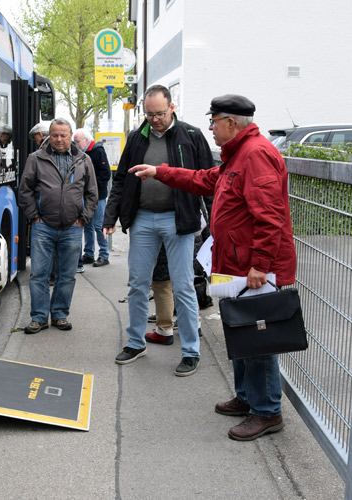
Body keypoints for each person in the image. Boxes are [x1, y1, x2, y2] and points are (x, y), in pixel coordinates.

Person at [129, 94, 297, 441]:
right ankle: (247, 398)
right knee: (240, 330)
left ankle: (267, 412)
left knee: (258, 339)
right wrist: (160, 171)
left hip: (252, 269)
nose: (210, 128)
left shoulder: (256, 155)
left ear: (231, 123)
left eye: (214, 121)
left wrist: (260, 266)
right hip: (233, 264)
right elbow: (205, 179)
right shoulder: (239, 155)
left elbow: (270, 217)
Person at [103, 84, 213, 375]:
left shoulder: (191, 136)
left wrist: (216, 223)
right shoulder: (136, 138)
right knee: (138, 285)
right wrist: (109, 217)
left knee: (184, 287)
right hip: (143, 220)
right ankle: (136, 342)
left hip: (179, 221)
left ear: (172, 107)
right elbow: (121, 182)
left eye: (160, 114)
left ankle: (190, 351)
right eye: (149, 114)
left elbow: (212, 180)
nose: (154, 120)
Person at [18, 118, 98, 334]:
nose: (59, 139)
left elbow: (92, 193)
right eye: (55, 135)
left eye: (63, 135)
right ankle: (39, 318)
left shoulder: (83, 160)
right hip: (43, 226)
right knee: (39, 274)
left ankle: (60, 315)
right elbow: (24, 190)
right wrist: (34, 216)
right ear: (48, 136)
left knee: (67, 275)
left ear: (71, 136)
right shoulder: (35, 159)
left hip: (73, 227)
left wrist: (84, 218)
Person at [74, 129, 111, 272]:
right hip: (85, 194)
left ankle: (104, 254)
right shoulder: (82, 152)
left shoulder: (97, 151)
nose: (76, 145)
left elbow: (105, 173)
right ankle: (89, 253)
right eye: (75, 142)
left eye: (78, 142)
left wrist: (92, 187)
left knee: (98, 225)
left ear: (86, 140)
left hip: (98, 195)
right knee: (87, 224)